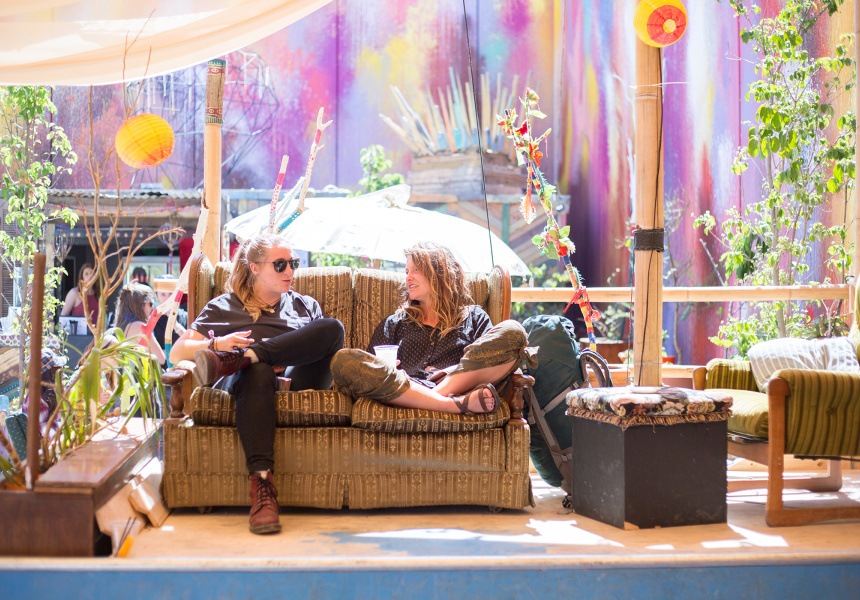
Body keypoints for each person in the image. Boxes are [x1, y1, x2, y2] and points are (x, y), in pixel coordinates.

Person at [169, 232, 345, 535]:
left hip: (295, 382)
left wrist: (247, 354)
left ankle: (246, 357)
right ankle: (262, 488)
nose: (290, 271)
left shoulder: (304, 305)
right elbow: (176, 352)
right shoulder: (224, 306)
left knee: (333, 328)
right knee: (258, 371)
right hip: (249, 386)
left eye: (293, 263)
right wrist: (218, 344)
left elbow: (324, 348)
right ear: (254, 267)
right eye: (280, 264)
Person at [331, 242, 530, 415]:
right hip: (406, 387)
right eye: (406, 272)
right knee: (343, 360)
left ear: (439, 272)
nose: (408, 277)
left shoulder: (474, 318)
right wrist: (387, 369)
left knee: (515, 331)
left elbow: (490, 360)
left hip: (448, 389)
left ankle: (430, 398)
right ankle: (449, 405)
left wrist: (455, 371)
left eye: (415, 270)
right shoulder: (395, 322)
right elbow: (370, 368)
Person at [113, 282, 166, 366]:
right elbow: (161, 359)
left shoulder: (124, 323)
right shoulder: (139, 327)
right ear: (140, 305)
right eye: (150, 304)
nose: (152, 307)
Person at [151, 287, 187, 369]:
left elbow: (192, 342)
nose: (168, 299)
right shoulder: (151, 319)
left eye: (171, 294)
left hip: (182, 370)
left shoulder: (185, 316)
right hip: (159, 372)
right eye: (163, 294)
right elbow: (150, 353)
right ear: (156, 296)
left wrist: (176, 326)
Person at [60, 263, 100, 327]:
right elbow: (63, 315)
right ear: (82, 276)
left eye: (92, 273)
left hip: (97, 332)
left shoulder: (99, 294)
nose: (89, 276)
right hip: (79, 332)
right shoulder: (74, 293)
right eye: (86, 274)